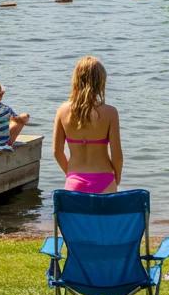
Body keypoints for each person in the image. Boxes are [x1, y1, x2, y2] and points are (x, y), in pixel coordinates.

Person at [52, 56, 122, 194]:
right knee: (104, 216)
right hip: (105, 179)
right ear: (101, 82)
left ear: (76, 80)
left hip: (74, 180)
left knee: (76, 216)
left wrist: (70, 174)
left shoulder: (62, 111)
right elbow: (117, 155)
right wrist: (117, 177)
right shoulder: (110, 112)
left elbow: (57, 152)